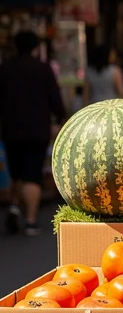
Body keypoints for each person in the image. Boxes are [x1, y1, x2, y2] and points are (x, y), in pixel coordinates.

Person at [0, 30, 66, 235]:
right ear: (36, 47)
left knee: (16, 171)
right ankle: (30, 220)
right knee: (32, 173)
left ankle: (14, 205)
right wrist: (61, 118)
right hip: (37, 129)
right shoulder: (43, 68)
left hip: (11, 128)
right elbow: (55, 99)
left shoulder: (5, 68)